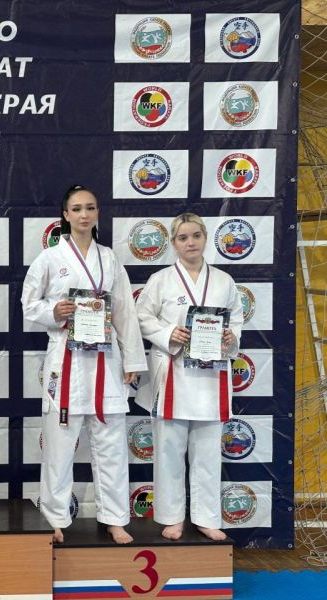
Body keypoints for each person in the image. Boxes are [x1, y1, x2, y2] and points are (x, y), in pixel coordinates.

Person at [21, 184, 146, 544]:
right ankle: (55, 517)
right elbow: (29, 304)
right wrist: (53, 311)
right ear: (65, 215)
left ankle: (115, 518)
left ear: (97, 213)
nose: (84, 214)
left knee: (111, 444)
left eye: (90, 208)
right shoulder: (49, 259)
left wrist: (132, 359)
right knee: (59, 445)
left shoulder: (109, 259)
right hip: (67, 360)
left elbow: (124, 311)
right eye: (76, 209)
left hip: (106, 359)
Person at [135, 212, 242, 541]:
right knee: (169, 451)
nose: (190, 242)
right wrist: (168, 332)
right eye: (183, 238)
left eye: (196, 236)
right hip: (174, 373)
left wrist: (230, 338)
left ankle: (207, 517)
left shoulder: (224, 281)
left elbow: (236, 319)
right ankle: (172, 517)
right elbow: (142, 316)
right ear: (173, 243)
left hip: (211, 378)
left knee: (207, 452)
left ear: (205, 237)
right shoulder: (161, 279)